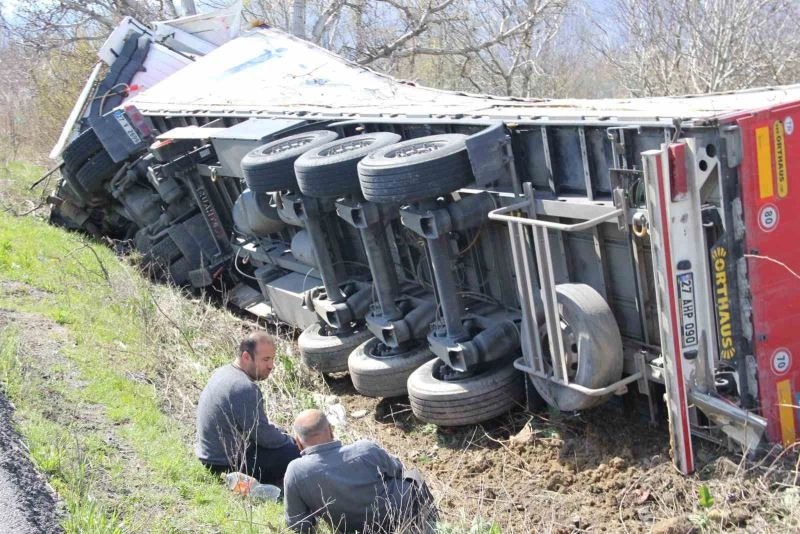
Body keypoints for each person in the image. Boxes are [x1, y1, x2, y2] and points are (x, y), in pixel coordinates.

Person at [284, 409, 436, 533]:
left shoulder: (295, 472)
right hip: (400, 517)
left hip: (351, 529)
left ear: (298, 442)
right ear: (331, 430)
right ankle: (433, 526)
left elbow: (297, 523)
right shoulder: (365, 449)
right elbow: (397, 469)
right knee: (413, 475)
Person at [196, 331, 300, 485]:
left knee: (282, 439)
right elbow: (263, 436)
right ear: (246, 357)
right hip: (225, 465)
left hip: (209, 456)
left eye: (272, 359)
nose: (271, 366)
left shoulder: (224, 372)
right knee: (293, 452)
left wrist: (280, 434)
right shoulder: (244, 387)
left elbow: (256, 429)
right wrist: (290, 441)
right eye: (265, 359)